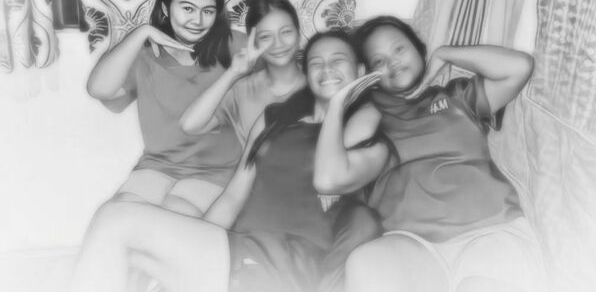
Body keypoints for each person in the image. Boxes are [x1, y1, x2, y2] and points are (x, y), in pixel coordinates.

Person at [69, 30, 383, 292]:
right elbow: (233, 197)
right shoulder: (275, 119)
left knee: (117, 220)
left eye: (337, 61)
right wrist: (191, 242)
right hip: (233, 250)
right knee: (128, 253)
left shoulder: (369, 139)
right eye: (316, 63)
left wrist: (339, 105)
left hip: (282, 264)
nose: (326, 69)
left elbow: (329, 179)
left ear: (360, 71)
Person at [314, 16, 545, 292]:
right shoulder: (370, 119)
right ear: (370, 75)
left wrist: (445, 53)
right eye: (379, 61)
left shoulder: (457, 97)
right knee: (364, 262)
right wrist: (339, 104)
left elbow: (519, 67)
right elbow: (328, 179)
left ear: (418, 49)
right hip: (413, 245)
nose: (392, 62)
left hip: (489, 229)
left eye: (399, 49)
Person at [86, 0, 245, 216]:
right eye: (187, 8)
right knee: (114, 215)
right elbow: (99, 90)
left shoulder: (234, 47)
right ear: (165, 8)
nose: (198, 20)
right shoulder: (146, 55)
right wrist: (143, 32)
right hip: (157, 167)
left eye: (208, 11)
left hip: (216, 172)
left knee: (173, 214)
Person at [180, 0, 306, 146]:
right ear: (253, 43)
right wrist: (233, 73)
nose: (278, 43)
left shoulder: (317, 81)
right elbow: (190, 125)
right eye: (266, 36)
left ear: (298, 34)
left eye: (286, 32)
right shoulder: (243, 91)